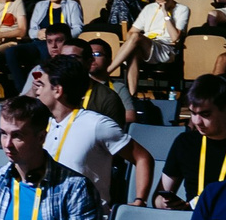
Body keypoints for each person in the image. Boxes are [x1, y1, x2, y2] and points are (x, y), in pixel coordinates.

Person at [26, 54, 149, 208]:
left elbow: (142, 157)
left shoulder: (97, 124)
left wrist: (140, 200)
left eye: (42, 85)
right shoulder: (43, 125)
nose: (37, 91)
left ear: (57, 90)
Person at [156, 74, 226, 206]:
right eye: (193, 113)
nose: (197, 121)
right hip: (192, 219)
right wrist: (167, 204)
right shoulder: (185, 143)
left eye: (205, 114)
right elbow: (159, 198)